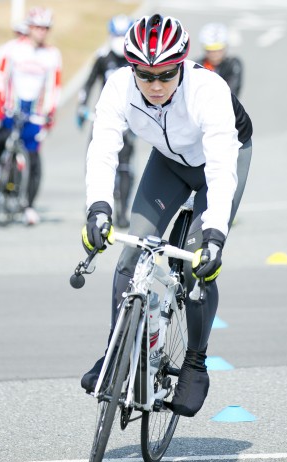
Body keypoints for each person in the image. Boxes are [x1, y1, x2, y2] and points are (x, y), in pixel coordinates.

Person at [80, 14, 253, 418]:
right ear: (131, 69)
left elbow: (222, 170)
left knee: (196, 266)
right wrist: (98, 209)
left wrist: (214, 236)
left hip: (220, 161)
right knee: (129, 255)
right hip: (170, 162)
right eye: (145, 75)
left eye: (165, 75)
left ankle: (195, 362)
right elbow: (103, 147)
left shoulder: (208, 90)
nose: (155, 85)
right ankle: (115, 353)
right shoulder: (119, 87)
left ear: (181, 66)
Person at [0, 7, 62, 225]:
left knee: (33, 160)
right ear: (30, 27)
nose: (41, 32)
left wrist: (50, 112)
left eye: (45, 28)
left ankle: (29, 206)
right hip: (10, 106)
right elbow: (1, 77)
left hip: (34, 113)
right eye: (37, 27)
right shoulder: (13, 50)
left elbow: (54, 86)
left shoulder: (52, 55)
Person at [76, 14, 135, 229]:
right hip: (104, 117)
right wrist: (81, 108)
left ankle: (122, 211)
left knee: (126, 165)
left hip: (129, 119)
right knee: (95, 158)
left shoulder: (134, 58)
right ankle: (95, 203)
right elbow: (88, 84)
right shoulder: (103, 57)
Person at [196, 22, 243, 97]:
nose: (214, 54)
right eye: (210, 50)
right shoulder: (196, 65)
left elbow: (232, 92)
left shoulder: (233, 64)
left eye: (218, 49)